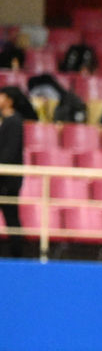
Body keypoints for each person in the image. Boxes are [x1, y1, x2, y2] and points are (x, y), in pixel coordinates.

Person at [0, 86, 26, 257]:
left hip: (7, 181)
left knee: (11, 217)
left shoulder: (15, 121)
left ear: (9, 100)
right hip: (3, 179)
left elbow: (10, 151)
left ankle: (17, 255)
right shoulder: (5, 120)